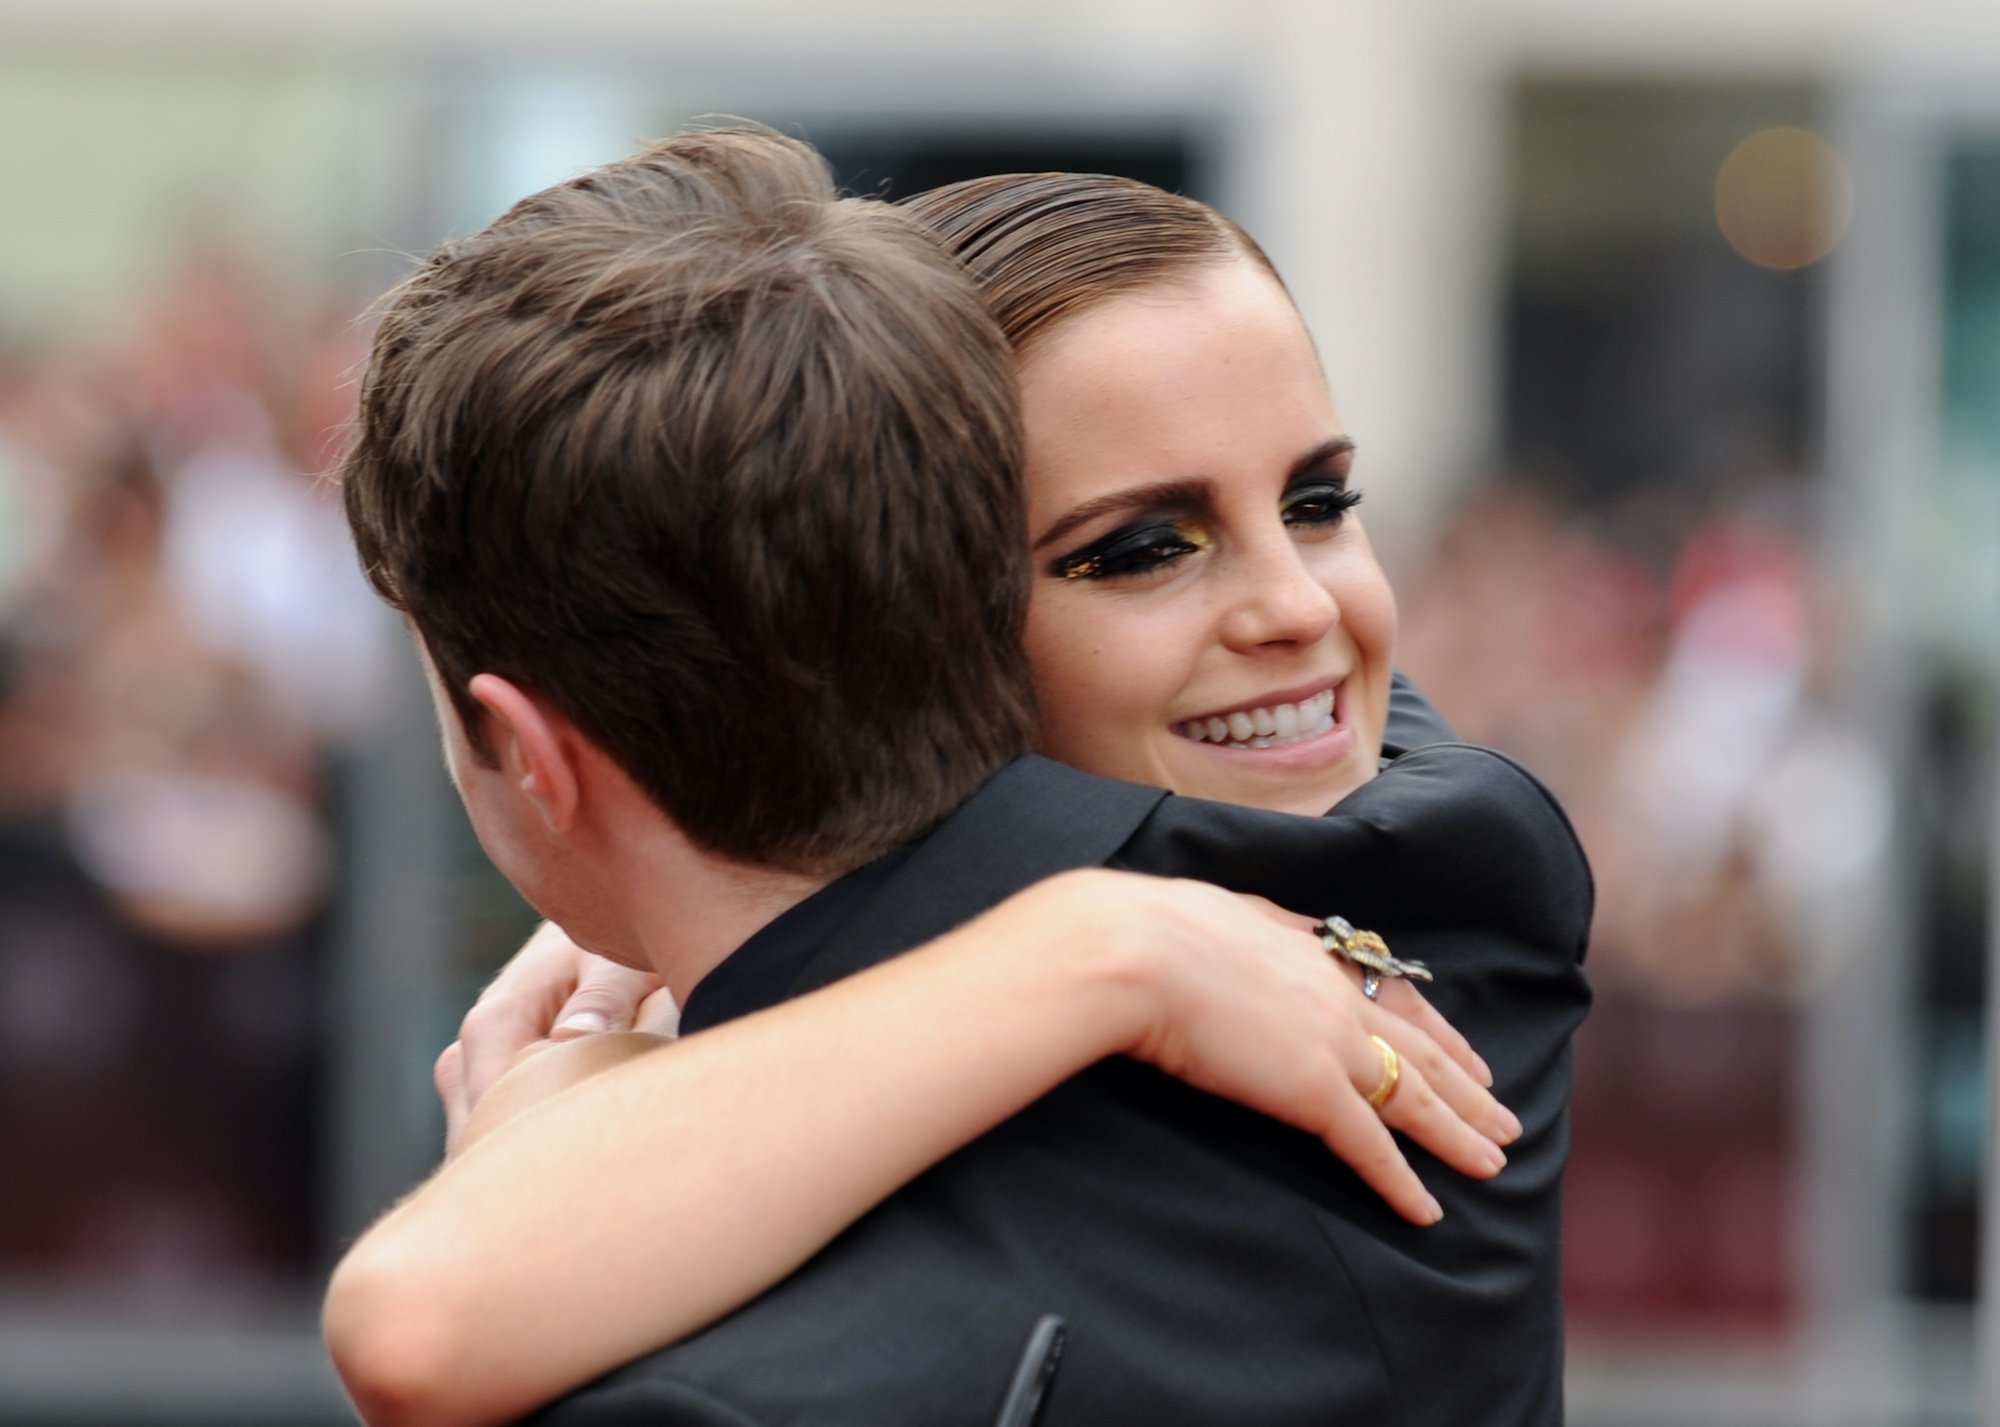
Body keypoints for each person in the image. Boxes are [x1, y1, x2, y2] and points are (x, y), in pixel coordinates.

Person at [325, 128, 1590, 1427]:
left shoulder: (1432, 876)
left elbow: (415, 1321)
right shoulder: (1445, 875)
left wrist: (570, 1069)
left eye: (1324, 501)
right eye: (1147, 547)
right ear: (921, 601)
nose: (1298, 607)